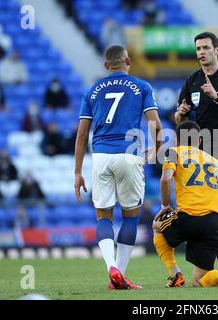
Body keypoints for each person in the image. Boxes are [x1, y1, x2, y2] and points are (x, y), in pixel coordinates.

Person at [74, 45, 162, 290]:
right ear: (128, 62)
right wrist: (155, 149)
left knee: (103, 216)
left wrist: (77, 171)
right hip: (129, 154)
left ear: (106, 66)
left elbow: (81, 135)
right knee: (131, 216)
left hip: (100, 155)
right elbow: (154, 121)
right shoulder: (142, 86)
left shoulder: (92, 91)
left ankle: (111, 267)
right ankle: (119, 274)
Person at [174, 32, 218, 269]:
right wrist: (181, 112)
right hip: (199, 149)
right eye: (198, 49)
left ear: (216, 50)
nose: (201, 52)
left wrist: (216, 97)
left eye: (206, 47)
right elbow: (178, 119)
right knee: (209, 206)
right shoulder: (192, 80)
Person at [153, 121, 218, 288]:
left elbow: (165, 179)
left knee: (156, 225)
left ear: (177, 140)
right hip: (213, 223)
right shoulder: (215, 161)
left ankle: (175, 274)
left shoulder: (173, 153)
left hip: (188, 217)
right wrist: (211, 211)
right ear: (199, 140)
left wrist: (165, 206)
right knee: (200, 281)